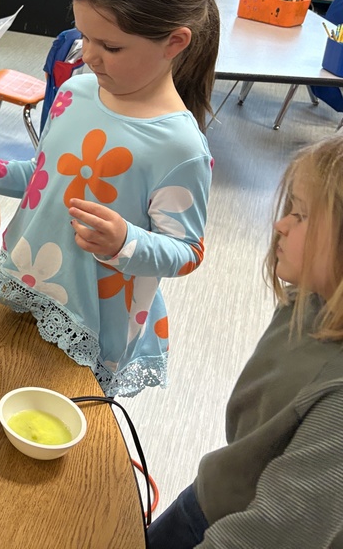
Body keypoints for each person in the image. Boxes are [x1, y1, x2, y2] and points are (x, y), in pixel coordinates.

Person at [0, 0, 219, 396]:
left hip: (96, 318)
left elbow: (187, 252)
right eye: (83, 37)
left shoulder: (179, 147)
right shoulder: (76, 91)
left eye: (111, 46)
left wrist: (125, 240)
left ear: (174, 43)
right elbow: (44, 179)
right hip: (29, 276)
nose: (89, 55)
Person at [147, 137, 343, 548]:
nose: (280, 224)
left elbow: (277, 529)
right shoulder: (308, 299)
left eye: (300, 216)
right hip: (212, 493)